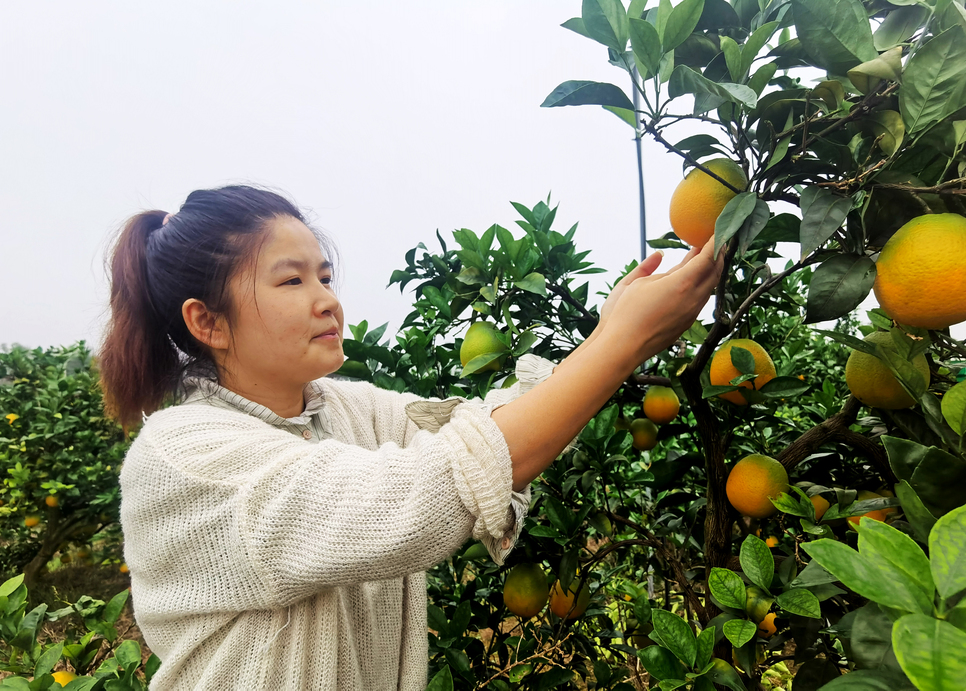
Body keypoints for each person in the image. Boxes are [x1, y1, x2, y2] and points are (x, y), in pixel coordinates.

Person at [99, 185, 722, 690]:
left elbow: (479, 436)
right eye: (292, 282)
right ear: (207, 321)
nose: (327, 302)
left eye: (325, 275)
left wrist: (605, 333)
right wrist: (619, 347)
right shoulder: (187, 457)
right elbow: (429, 492)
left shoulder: (342, 412)